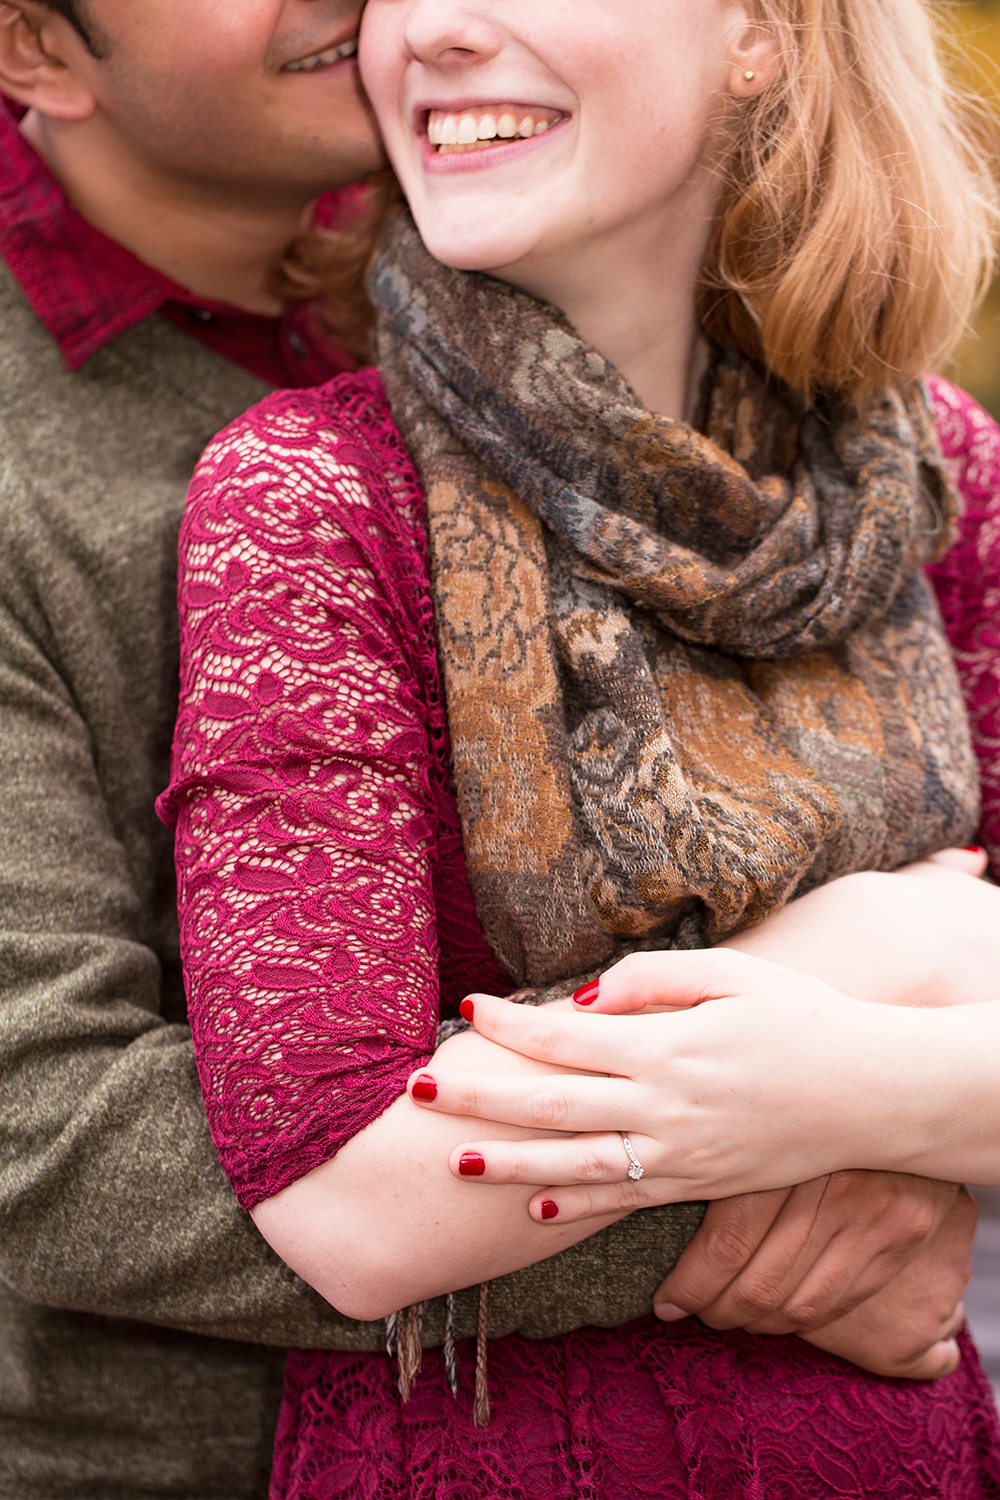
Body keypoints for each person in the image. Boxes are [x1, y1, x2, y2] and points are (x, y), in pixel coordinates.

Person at [2, 2, 956, 1494]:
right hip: (192, 1456)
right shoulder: (281, 473)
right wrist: (846, 1076)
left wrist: (910, 1105)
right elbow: (59, 1148)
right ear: (33, 52)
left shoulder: (876, 444)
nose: (389, 7)